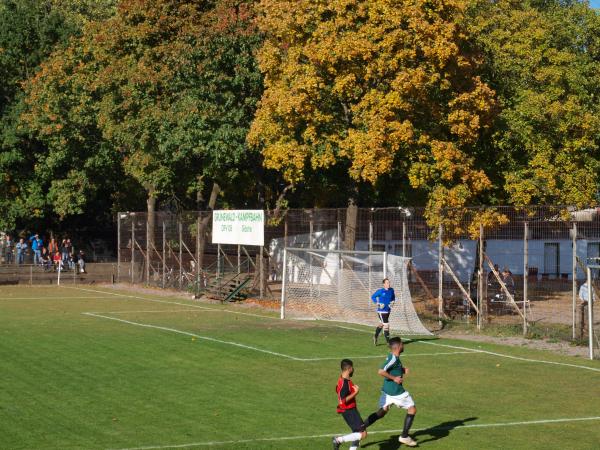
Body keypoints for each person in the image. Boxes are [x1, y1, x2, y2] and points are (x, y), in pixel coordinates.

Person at [363, 337, 418, 447]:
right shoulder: (393, 358)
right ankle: (404, 436)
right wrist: (394, 378)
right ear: (398, 347)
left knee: (383, 411)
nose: (404, 345)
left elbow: (390, 368)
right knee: (412, 409)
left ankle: (360, 427)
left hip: (387, 391)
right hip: (396, 391)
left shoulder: (393, 357)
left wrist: (402, 370)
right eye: (402, 344)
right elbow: (381, 371)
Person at [332, 359, 367, 450]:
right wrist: (355, 393)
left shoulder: (341, 380)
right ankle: (338, 440)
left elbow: (337, 391)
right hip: (349, 411)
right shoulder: (344, 383)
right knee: (362, 434)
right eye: (352, 367)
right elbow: (342, 401)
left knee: (356, 434)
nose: (353, 370)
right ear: (349, 368)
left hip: (349, 410)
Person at [371, 278, 395, 345]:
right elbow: (373, 297)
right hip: (381, 311)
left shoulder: (391, 290)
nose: (388, 284)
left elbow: (393, 297)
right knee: (386, 325)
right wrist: (378, 303)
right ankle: (388, 342)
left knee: (381, 324)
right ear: (384, 284)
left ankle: (375, 337)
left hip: (388, 310)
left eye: (389, 282)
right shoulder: (380, 291)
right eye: (387, 283)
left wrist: (392, 302)